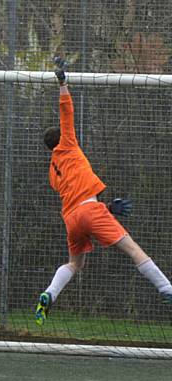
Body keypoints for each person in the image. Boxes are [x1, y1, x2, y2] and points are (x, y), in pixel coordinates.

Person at [35, 60, 172, 325]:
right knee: (134, 250)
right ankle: (167, 289)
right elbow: (67, 111)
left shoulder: (53, 172)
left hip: (73, 218)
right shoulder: (69, 145)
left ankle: (49, 295)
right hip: (88, 210)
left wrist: (106, 208)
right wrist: (63, 83)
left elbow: (79, 197)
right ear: (61, 139)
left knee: (75, 264)